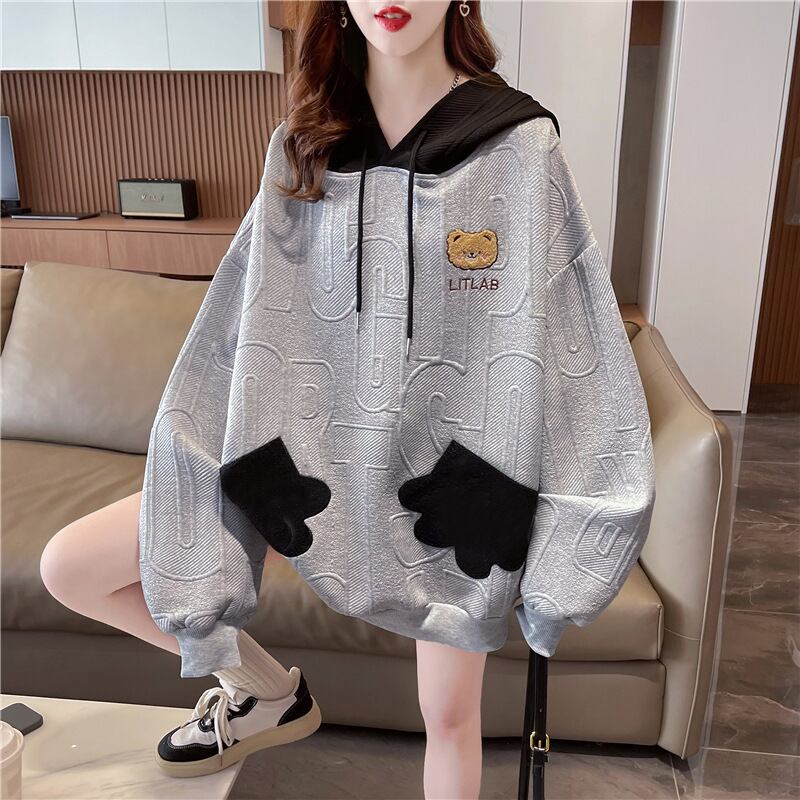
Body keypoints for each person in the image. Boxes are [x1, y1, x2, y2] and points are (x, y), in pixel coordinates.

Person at [39, 2, 657, 798]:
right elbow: (238, 324)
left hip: (449, 498)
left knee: (450, 718)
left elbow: (576, 349)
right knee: (70, 567)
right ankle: (266, 693)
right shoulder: (303, 148)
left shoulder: (519, 147)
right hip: (310, 476)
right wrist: (230, 452)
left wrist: (562, 534)